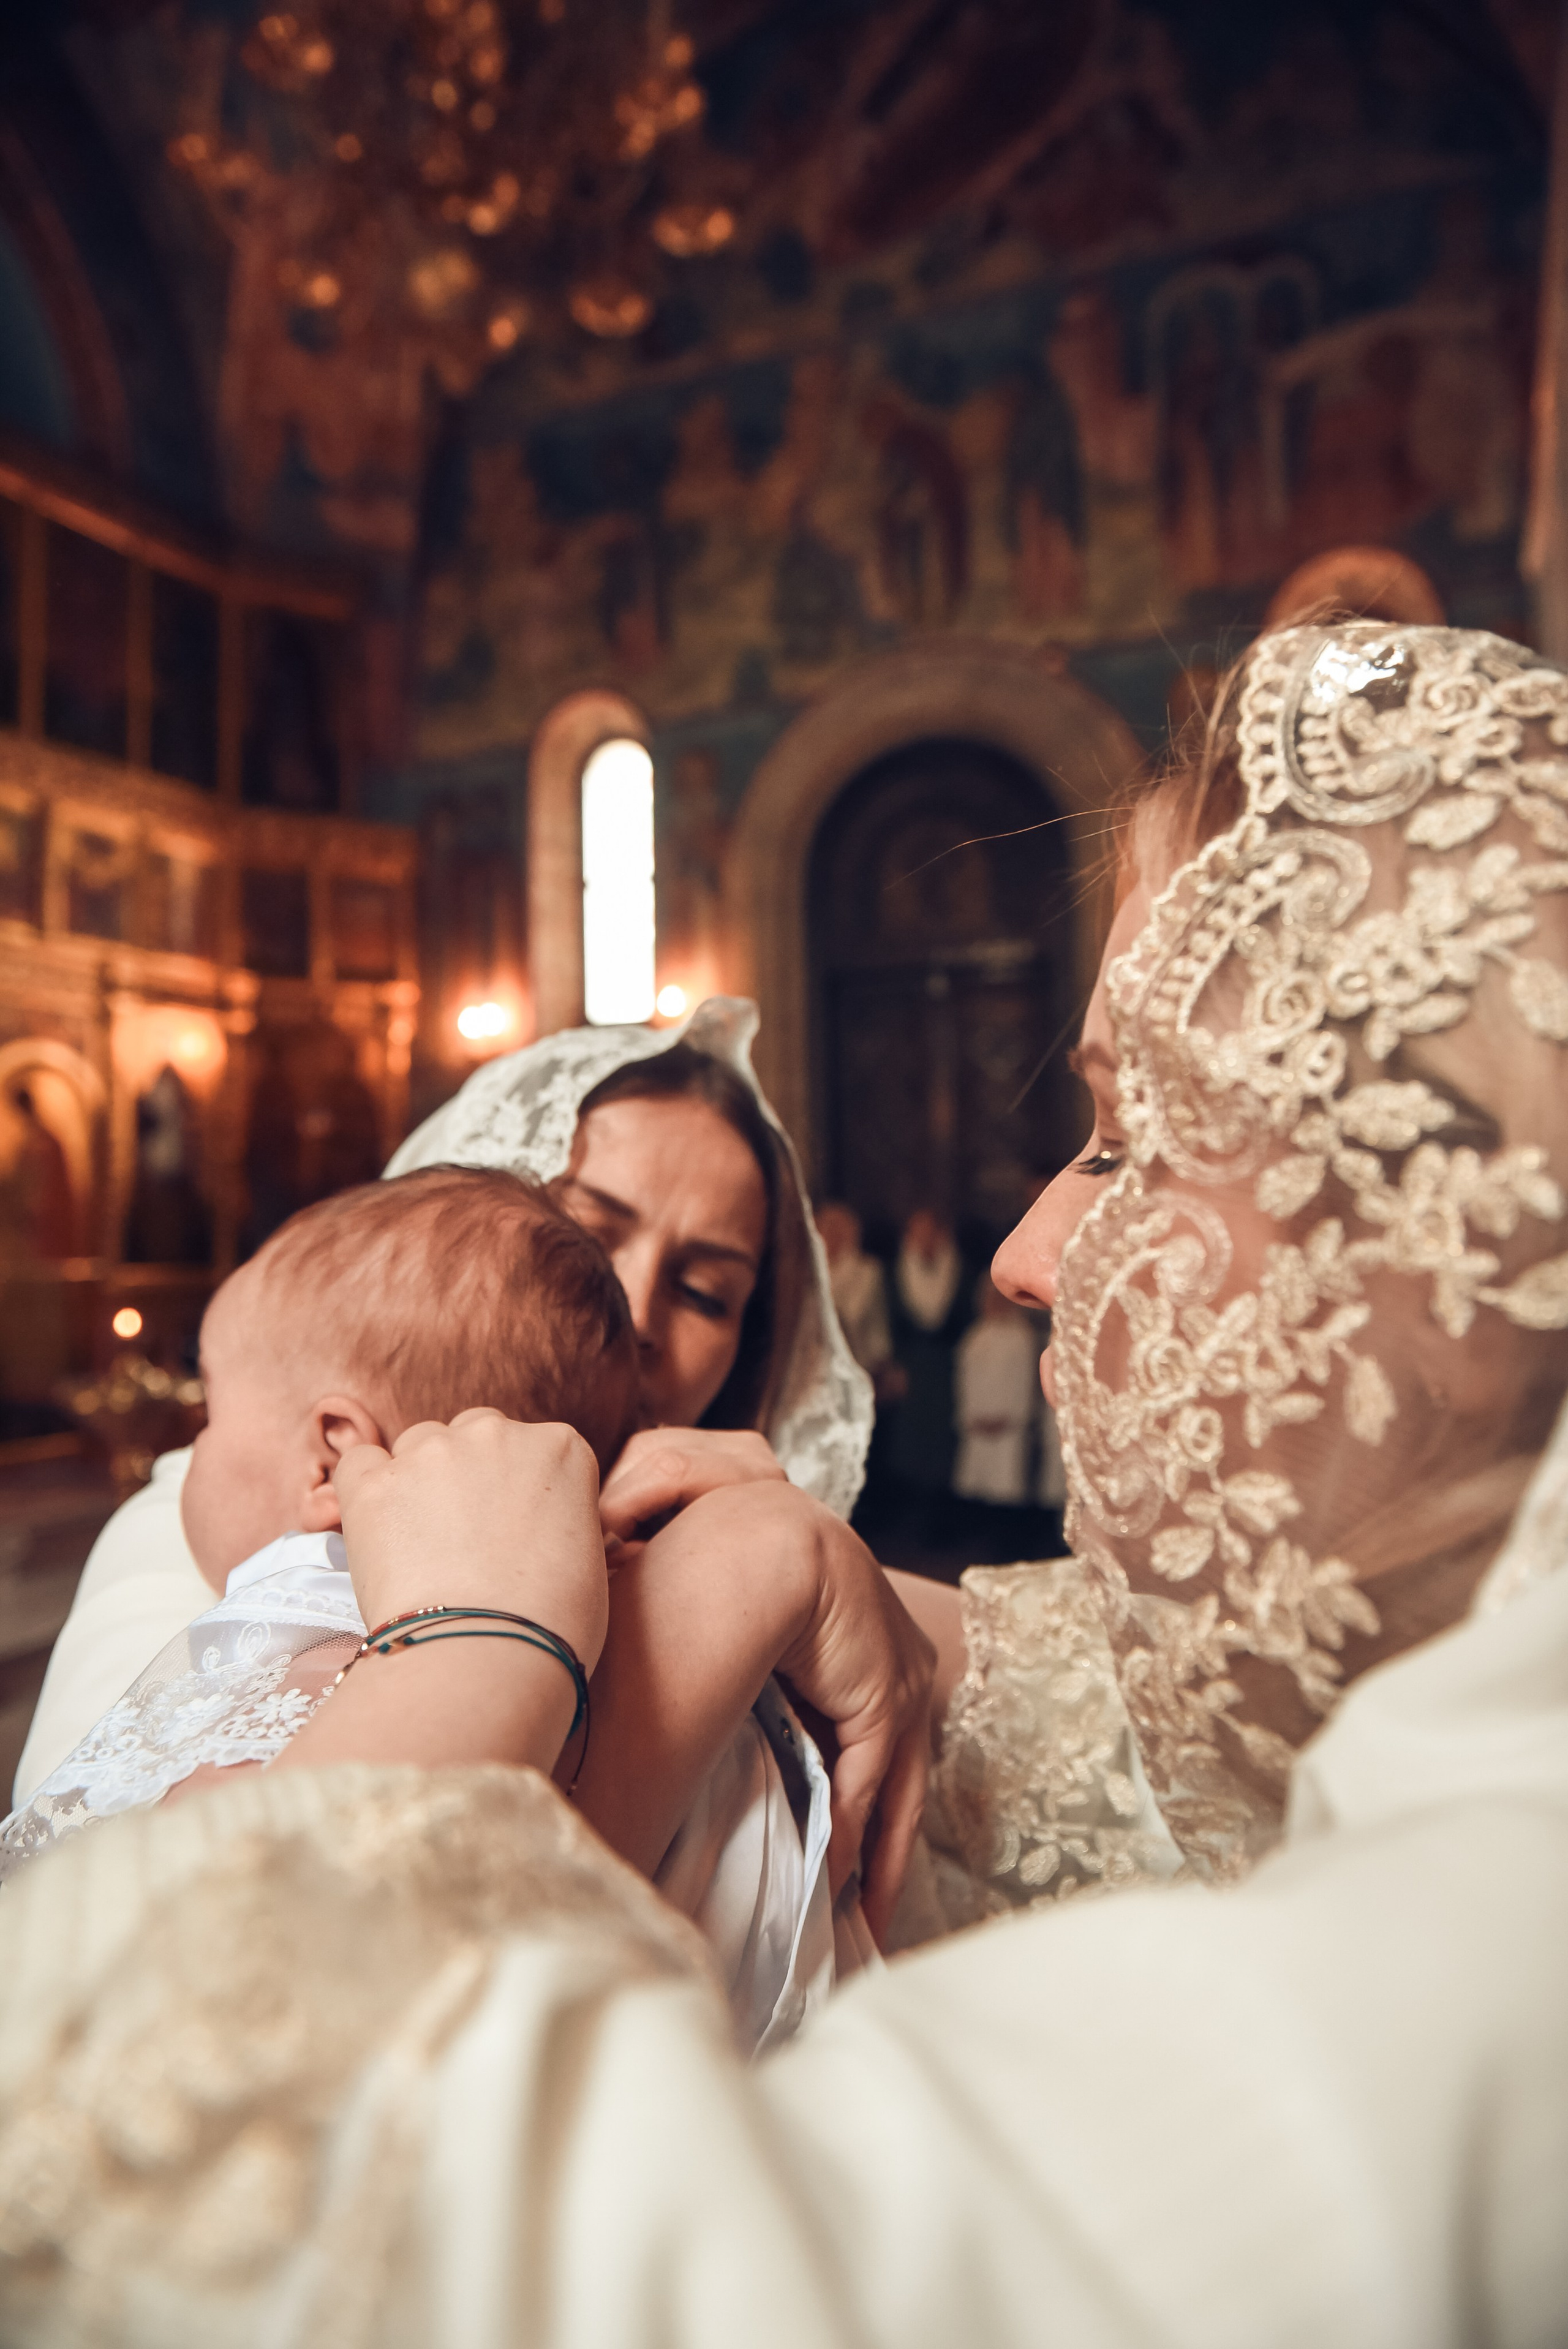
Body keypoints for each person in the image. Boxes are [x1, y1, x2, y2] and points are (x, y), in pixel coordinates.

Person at [3, 620, 1564, 2343]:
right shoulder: (247, 1500)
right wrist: (752, 1574)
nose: (1030, 1248)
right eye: (583, 1241)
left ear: (1435, 1241)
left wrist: (611, 1607)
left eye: (1133, 1142)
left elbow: (188, 2157)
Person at [0, 1166, 894, 2047]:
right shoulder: (604, 1600)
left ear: (330, 1458)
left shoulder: (320, 1620)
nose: (186, 1458)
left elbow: (254, 1917)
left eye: (209, 1415)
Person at [15, 1000, 877, 1805]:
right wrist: (744, 1574)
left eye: (703, 1290)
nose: (640, 1311)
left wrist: (783, 1547)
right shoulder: (216, 1520)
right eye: (587, 1237)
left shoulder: (748, 1528)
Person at [815, 1201, 893, 1388]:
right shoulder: (806, 1272)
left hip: (857, 1366)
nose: (831, 1233)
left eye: (838, 1227)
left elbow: (853, 1314)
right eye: (826, 1226)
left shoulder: (867, 1271)